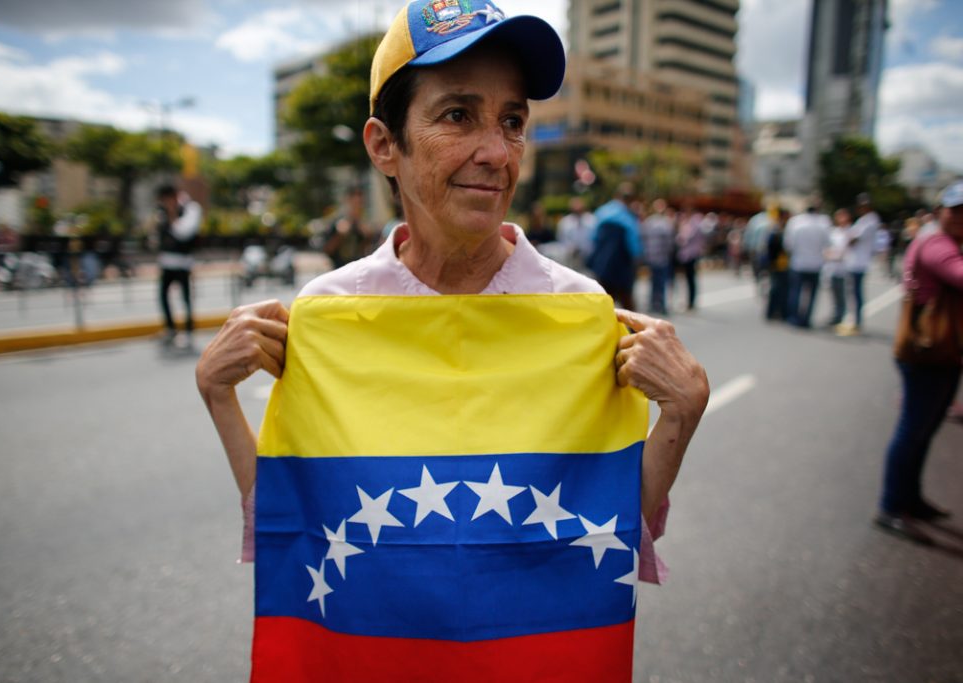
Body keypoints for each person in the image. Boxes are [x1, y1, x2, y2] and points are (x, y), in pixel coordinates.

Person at [195, 2, 707, 676]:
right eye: (458, 115)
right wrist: (219, 397)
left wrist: (683, 411)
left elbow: (608, 531)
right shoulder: (331, 313)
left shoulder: (579, 312)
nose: (495, 153)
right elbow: (300, 521)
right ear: (384, 144)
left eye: (512, 121)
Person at [874, 181, 963, 544]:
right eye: (955, 210)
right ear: (941, 211)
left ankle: (910, 498)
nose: (960, 217)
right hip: (928, 350)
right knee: (913, 429)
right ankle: (891, 505)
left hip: (943, 351)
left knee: (923, 429)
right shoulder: (938, 244)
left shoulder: (943, 241)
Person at [155, 184, 201, 349]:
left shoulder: (191, 208)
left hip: (183, 262)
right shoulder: (162, 211)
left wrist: (172, 213)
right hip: (166, 262)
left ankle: (188, 331)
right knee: (163, 296)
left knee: (186, 298)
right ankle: (171, 328)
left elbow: (183, 233)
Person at [589, 185, 643, 310]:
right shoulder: (628, 216)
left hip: (602, 266)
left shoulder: (601, 212)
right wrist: (638, 261)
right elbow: (634, 245)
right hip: (622, 267)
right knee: (628, 304)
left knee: (604, 303)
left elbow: (593, 239)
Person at [837, 193, 880, 336]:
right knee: (854, 293)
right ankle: (855, 320)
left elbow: (853, 239)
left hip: (858, 263)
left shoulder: (870, 220)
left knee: (855, 294)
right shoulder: (866, 220)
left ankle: (856, 322)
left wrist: (849, 237)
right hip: (856, 261)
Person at [783, 204, 831, 328]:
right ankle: (806, 319)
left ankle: (794, 317)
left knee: (795, 292)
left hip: (798, 263)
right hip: (816, 264)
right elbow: (827, 243)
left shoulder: (795, 222)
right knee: (811, 295)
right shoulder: (823, 223)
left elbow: (788, 244)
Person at [640, 199, 676, 315]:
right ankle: (656, 304)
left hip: (658, 257)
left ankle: (658, 304)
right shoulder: (661, 222)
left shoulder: (656, 222)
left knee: (658, 282)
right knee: (657, 282)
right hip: (657, 258)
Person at [322, 185, 370, 269]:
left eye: (360, 202)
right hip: (339, 269)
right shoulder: (337, 222)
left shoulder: (365, 224)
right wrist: (339, 235)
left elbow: (367, 252)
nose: (357, 204)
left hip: (358, 270)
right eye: (355, 201)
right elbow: (327, 250)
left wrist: (367, 236)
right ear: (348, 200)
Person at [823, 208, 852, 327]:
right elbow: (826, 249)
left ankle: (841, 316)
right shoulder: (834, 232)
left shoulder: (849, 231)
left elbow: (844, 251)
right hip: (832, 268)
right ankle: (836, 315)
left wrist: (833, 255)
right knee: (834, 294)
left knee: (842, 294)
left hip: (843, 268)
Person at [675, 208, 706, 311]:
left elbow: (685, 238)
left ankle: (691, 302)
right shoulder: (687, 224)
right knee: (686, 279)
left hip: (691, 255)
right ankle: (689, 301)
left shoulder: (694, 224)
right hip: (686, 255)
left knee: (690, 279)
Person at [556, 195, 596, 272]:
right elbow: (561, 240)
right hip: (570, 260)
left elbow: (594, 240)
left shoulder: (592, 221)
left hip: (588, 260)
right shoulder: (564, 222)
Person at [765, 209, 790, 321]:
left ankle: (781, 311)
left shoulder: (786, 229)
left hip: (784, 264)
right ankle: (773, 312)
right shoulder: (776, 230)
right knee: (776, 289)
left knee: (783, 290)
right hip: (778, 264)